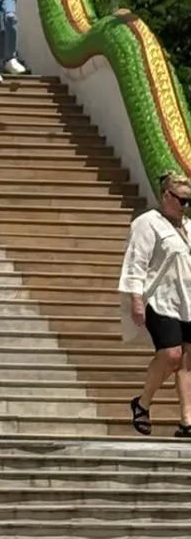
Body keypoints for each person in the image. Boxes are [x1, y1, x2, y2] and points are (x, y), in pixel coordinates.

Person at [118, 171, 191, 436]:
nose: (184, 206)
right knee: (171, 354)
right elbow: (137, 261)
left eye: (188, 201)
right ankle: (143, 402)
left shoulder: (188, 227)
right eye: (180, 200)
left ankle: (187, 421)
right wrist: (136, 298)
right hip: (159, 300)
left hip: (187, 300)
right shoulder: (147, 223)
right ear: (165, 196)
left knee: (187, 362)